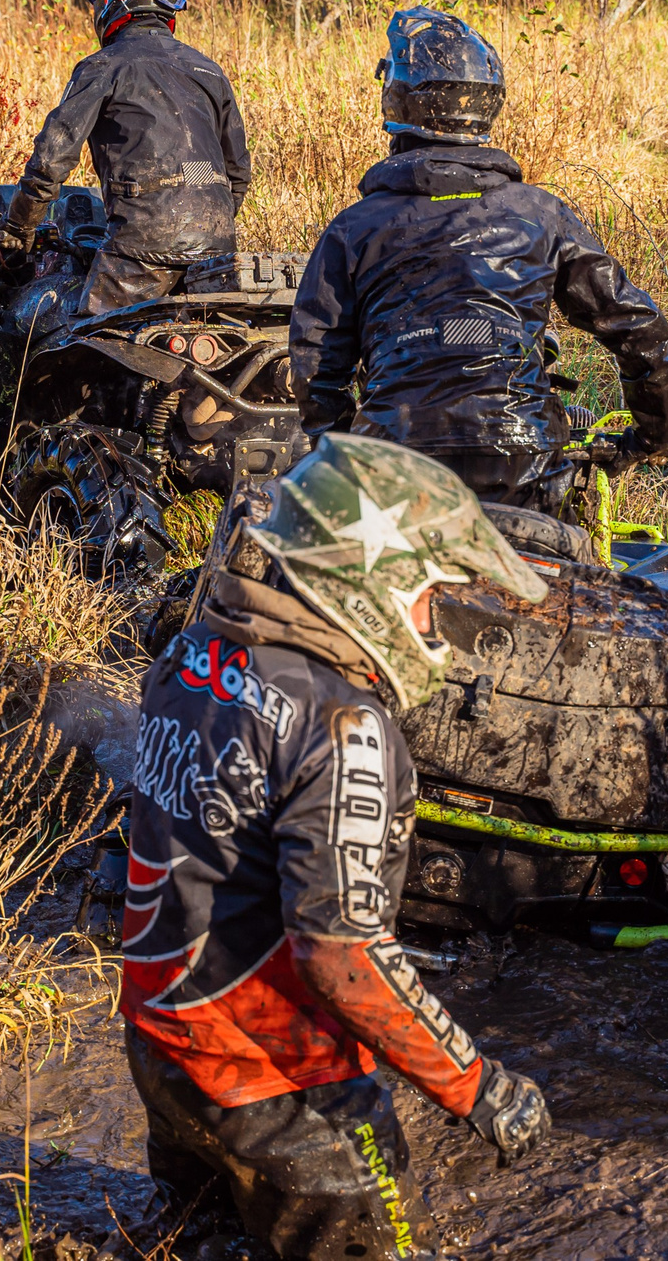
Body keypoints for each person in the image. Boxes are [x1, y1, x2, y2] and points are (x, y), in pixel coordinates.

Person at [121, 434, 554, 1260]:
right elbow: (344, 953)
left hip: (163, 1046)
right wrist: (480, 1085)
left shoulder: (190, 653)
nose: (439, 627)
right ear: (372, 582)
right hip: (285, 1088)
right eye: (433, 598)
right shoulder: (345, 725)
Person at [286, 7, 668, 511]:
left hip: (391, 463)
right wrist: (652, 439)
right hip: (525, 461)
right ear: (486, 106)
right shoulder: (542, 213)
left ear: (399, 100)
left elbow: (316, 365)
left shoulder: (353, 228)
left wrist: (340, 453)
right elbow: (640, 328)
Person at [4, 0, 252, 320]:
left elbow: (52, 157)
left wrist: (18, 227)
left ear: (118, 4)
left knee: (83, 347)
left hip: (141, 248)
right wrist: (206, 222)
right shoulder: (208, 70)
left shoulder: (103, 65)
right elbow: (238, 172)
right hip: (217, 250)